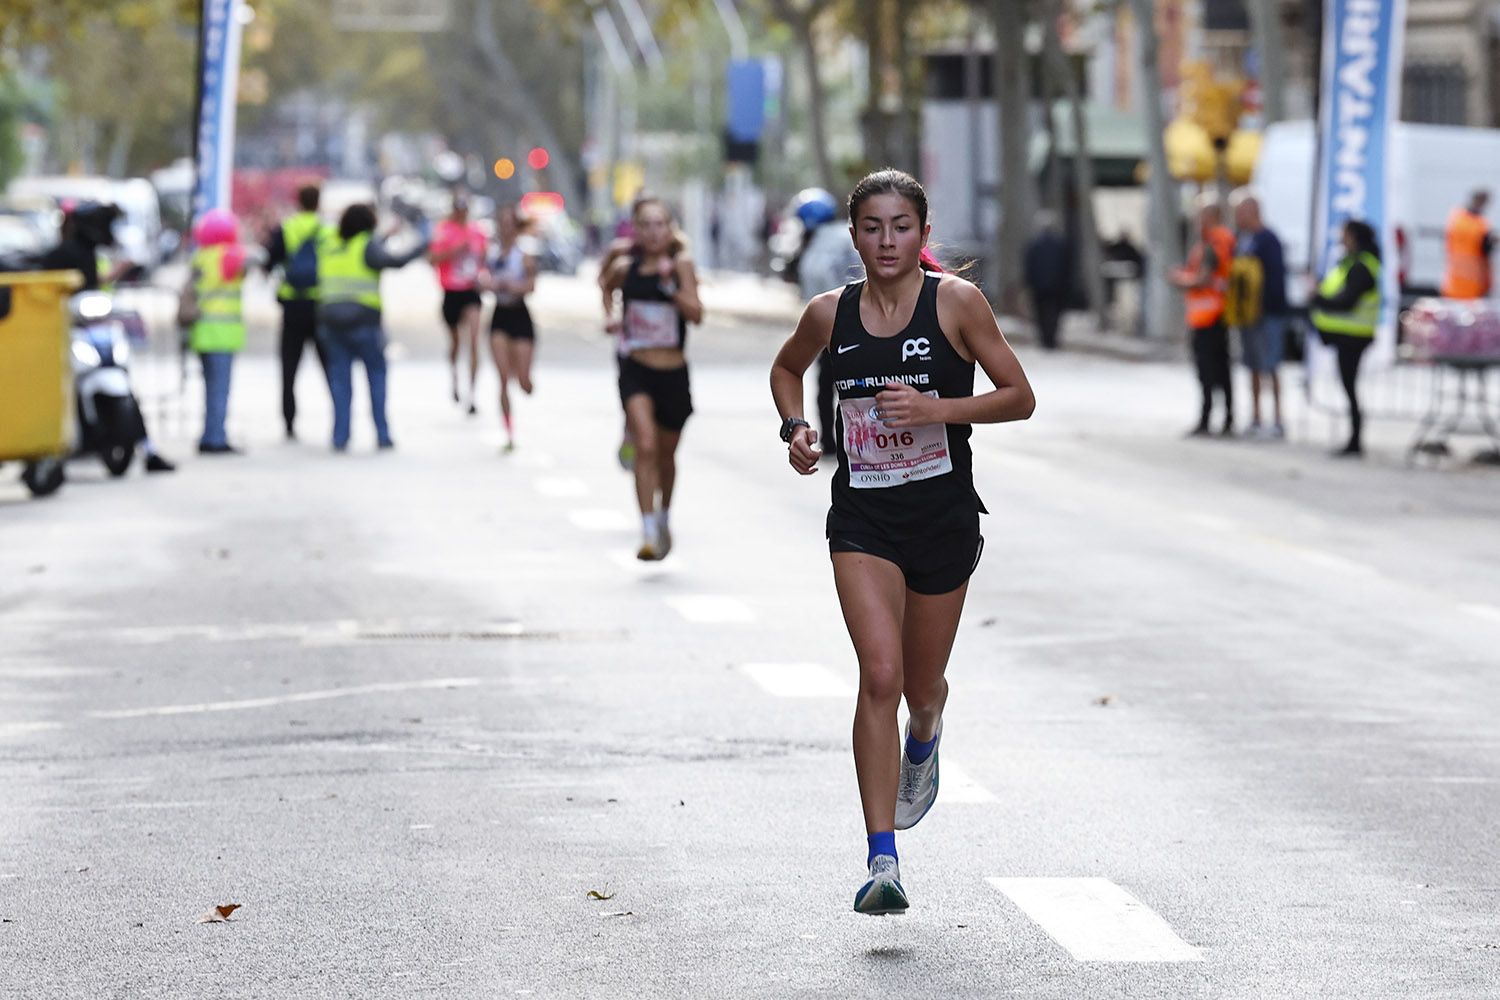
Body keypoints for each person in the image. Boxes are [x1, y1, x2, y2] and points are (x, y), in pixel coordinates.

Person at [769, 169, 1035, 915]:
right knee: (878, 675)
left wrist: (933, 408)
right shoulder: (830, 313)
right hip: (863, 518)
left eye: (901, 227)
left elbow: (1020, 396)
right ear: (853, 236)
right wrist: (795, 427)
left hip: (943, 519)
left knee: (919, 689)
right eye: (873, 227)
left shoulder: (955, 303)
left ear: (922, 233)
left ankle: (927, 732)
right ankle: (881, 858)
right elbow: (787, 368)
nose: (887, 241)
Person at [600, 196, 703, 561]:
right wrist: (613, 316)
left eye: (660, 224)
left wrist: (671, 287)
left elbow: (696, 314)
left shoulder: (680, 265)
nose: (653, 231)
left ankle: (663, 516)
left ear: (670, 228)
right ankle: (646, 531)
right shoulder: (624, 267)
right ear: (636, 230)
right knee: (645, 446)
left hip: (673, 372)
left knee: (665, 455)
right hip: (636, 369)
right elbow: (605, 286)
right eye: (646, 224)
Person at [38, 202, 175, 472]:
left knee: (124, 382)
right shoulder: (62, 254)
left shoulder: (88, 253)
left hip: (95, 330)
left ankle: (147, 448)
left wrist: (118, 273)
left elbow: (91, 287)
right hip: (65, 335)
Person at [317, 204, 428, 452]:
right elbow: (392, 260)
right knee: (376, 377)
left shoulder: (330, 246)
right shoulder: (367, 245)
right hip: (363, 323)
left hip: (331, 324)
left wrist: (386, 236)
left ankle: (340, 435)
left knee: (340, 383)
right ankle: (382, 433)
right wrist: (422, 247)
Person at [792, 188, 864, 456]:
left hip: (832, 325)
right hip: (858, 320)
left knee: (830, 387)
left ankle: (833, 442)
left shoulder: (819, 244)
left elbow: (811, 286)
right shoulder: (842, 237)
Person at [263, 183, 330, 441]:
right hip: (320, 305)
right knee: (329, 366)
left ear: (298, 201)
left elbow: (270, 262)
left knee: (289, 369)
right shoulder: (328, 230)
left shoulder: (287, 228)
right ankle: (339, 417)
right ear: (318, 202)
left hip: (292, 307)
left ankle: (289, 422)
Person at [1310, 219, 1381, 458]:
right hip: (1348, 337)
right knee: (1348, 386)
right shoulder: (1353, 262)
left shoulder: (1362, 266)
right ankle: (1353, 439)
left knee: (1350, 386)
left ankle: (1355, 440)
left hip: (1354, 337)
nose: (1340, 237)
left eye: (1344, 233)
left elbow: (1346, 301)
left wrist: (1317, 298)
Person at [1171, 201, 1236, 437]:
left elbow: (1204, 278)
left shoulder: (1215, 243)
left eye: (1201, 217)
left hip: (1210, 316)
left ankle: (1209, 419)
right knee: (1220, 370)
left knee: (1209, 371)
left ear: (1211, 217)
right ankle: (1225, 419)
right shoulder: (1219, 241)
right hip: (1211, 315)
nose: (1198, 222)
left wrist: (1179, 280)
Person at [187, 208, 248, 455]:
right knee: (220, 390)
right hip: (222, 334)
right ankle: (216, 438)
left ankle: (208, 434)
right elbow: (253, 261)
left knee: (209, 390)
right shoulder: (230, 256)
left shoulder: (200, 258)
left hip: (201, 332)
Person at [1231, 193, 1290, 438]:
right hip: (1247, 315)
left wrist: (1265, 307)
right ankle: (1256, 418)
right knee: (1253, 366)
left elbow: (1275, 279)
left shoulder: (1268, 240)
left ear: (1252, 211)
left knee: (1271, 365)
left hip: (1268, 314)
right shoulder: (1243, 240)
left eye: (1240, 212)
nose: (1236, 217)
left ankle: (1277, 420)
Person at [483, 204, 539, 452]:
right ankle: (508, 432)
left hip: (520, 316)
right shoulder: (492, 254)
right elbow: (481, 279)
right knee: (503, 379)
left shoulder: (524, 255)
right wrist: (489, 284)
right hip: (499, 317)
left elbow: (530, 286)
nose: (506, 229)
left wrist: (511, 287)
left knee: (524, 383)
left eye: (510, 224)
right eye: (502, 224)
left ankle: (523, 375)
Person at [429, 194, 487, 413]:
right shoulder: (444, 230)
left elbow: (483, 259)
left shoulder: (477, 231)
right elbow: (432, 259)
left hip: (471, 290)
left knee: (473, 341)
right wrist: (455, 251)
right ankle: (454, 377)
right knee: (455, 343)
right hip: (451, 291)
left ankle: (472, 395)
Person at [1023, 211, 1072, 351]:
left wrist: (1029, 282)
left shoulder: (1033, 245)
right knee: (1056, 312)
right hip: (1058, 284)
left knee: (1040, 312)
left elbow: (1029, 265)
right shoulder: (1061, 244)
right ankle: (1052, 338)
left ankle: (1045, 339)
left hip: (1039, 285)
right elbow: (1067, 265)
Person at [1441, 189, 1493, 300]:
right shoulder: (1479, 223)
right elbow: (1485, 249)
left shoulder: (1456, 217)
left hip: (1459, 280)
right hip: (1470, 281)